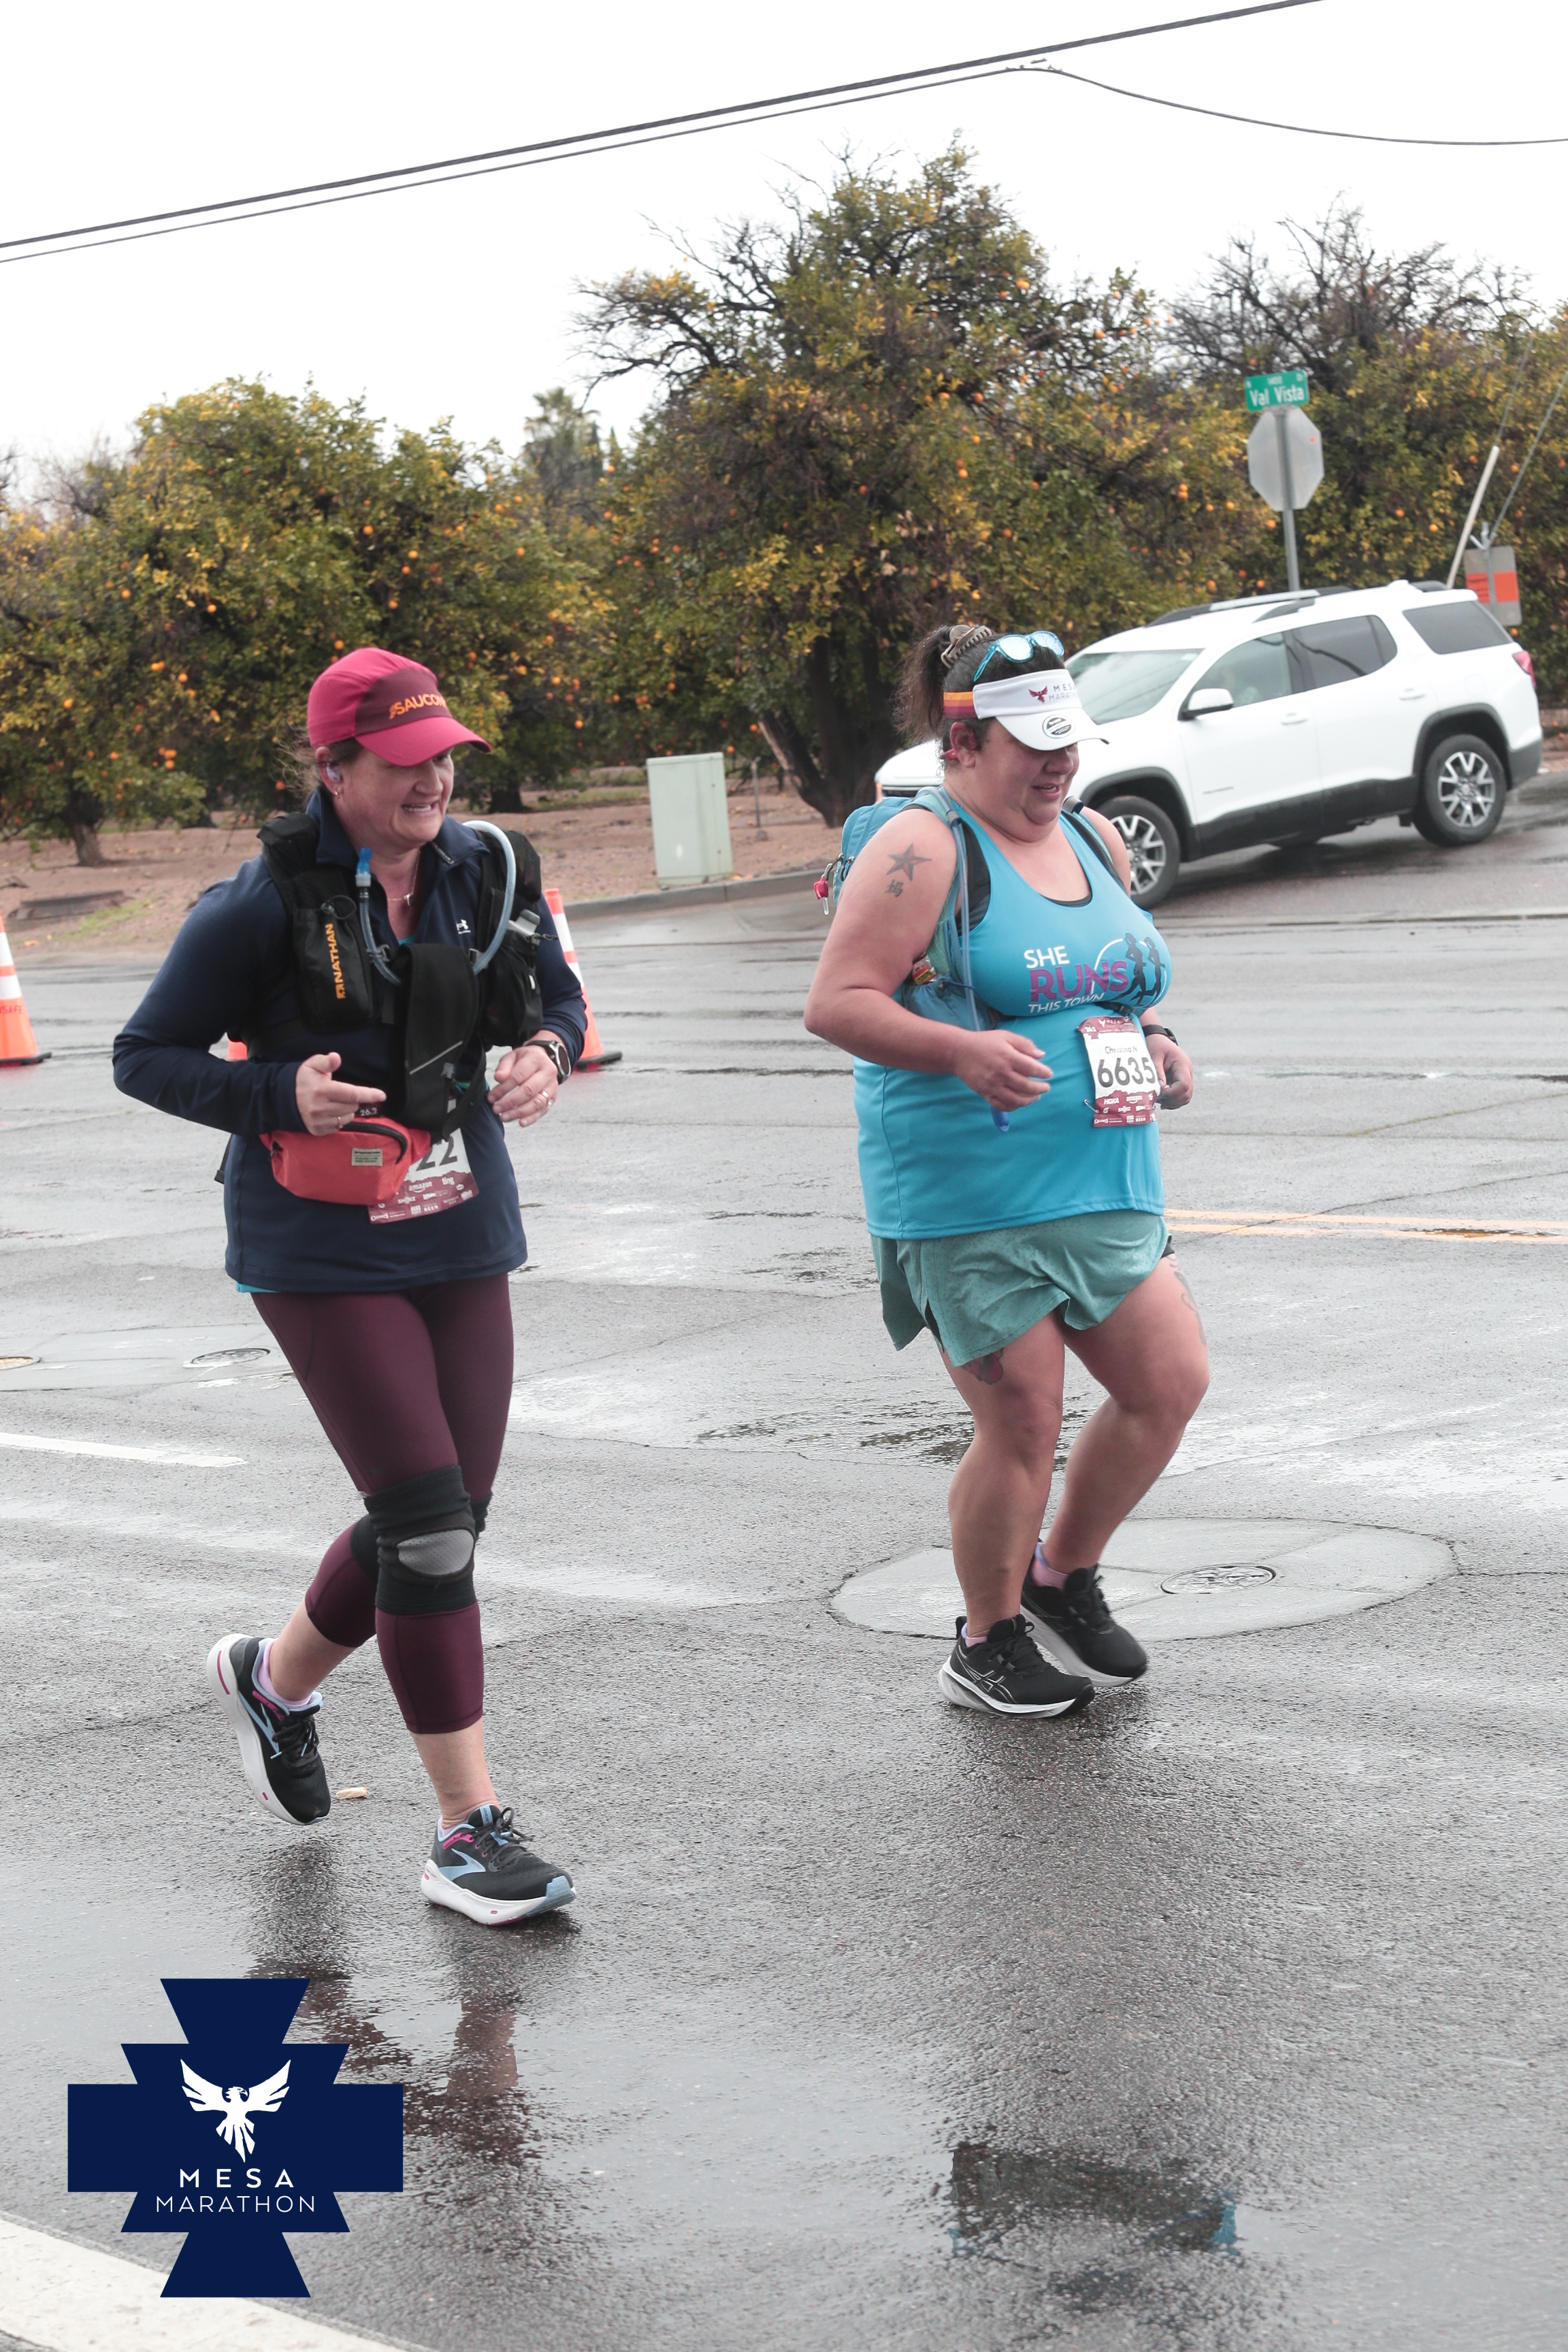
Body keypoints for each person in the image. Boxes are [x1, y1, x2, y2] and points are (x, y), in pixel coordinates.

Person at [114, 645, 587, 1925]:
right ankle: (464, 1833)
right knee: (427, 1528)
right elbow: (143, 1055)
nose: (433, 781)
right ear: (334, 769)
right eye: (404, 762)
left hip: (461, 1226)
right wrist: (278, 1092)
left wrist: (548, 1054)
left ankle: (272, 1682)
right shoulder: (256, 906)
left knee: (443, 1520)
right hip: (320, 1246)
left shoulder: (491, 868)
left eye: (445, 758)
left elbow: (560, 1000)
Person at [804, 622, 1209, 1716]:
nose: (1058, 764)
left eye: (1067, 742)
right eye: (1034, 746)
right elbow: (835, 1003)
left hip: (1106, 1178)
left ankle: (1060, 1574)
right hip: (970, 1195)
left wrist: (1157, 1037)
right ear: (965, 743)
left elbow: (1114, 979)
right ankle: (984, 1642)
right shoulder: (923, 848)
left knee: (1169, 1385)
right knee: (1024, 1419)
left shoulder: (1092, 836)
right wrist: (960, 1053)